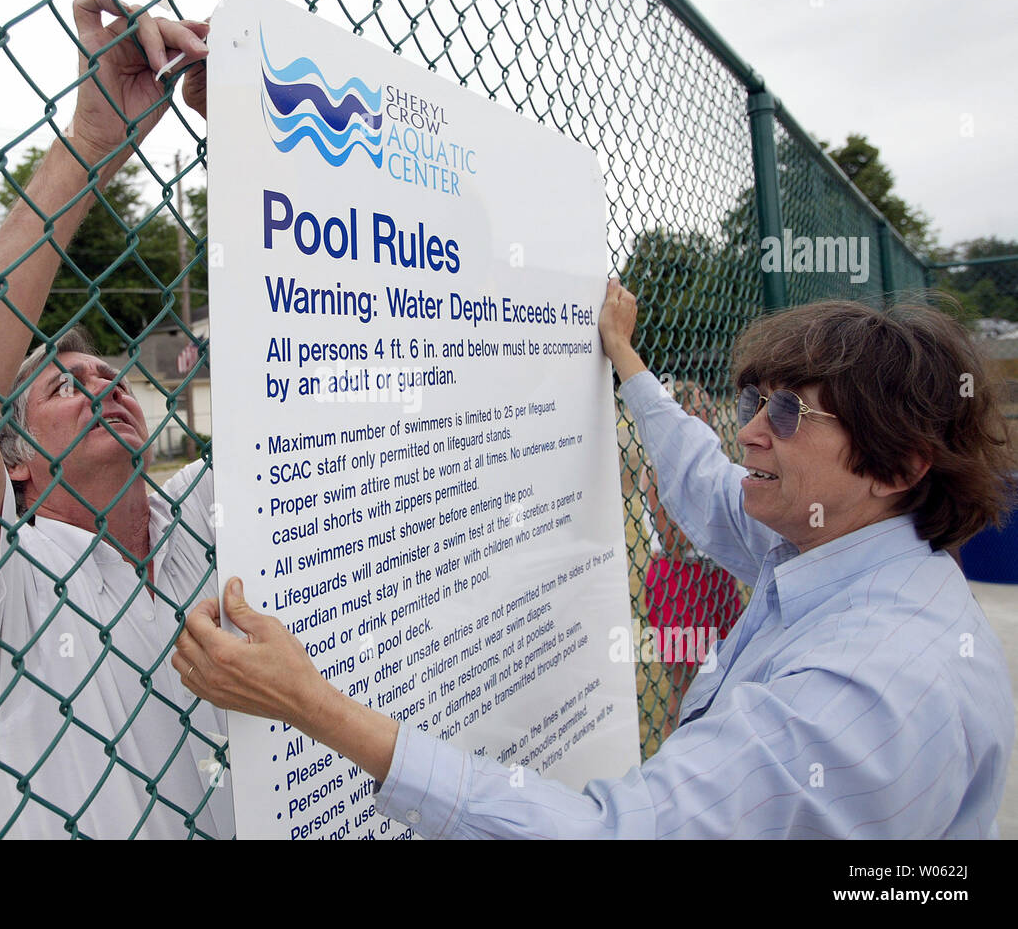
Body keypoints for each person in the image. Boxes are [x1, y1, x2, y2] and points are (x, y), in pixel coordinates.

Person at [173, 279, 1016, 838]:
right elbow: (705, 482)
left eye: (790, 415)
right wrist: (627, 360)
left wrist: (315, 708)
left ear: (900, 466)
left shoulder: (862, 693)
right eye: (755, 400)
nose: (750, 429)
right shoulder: (850, 542)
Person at [0, 0, 231, 839]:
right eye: (63, 384)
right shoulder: (7, 576)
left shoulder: (198, 507)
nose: (103, 384)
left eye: (109, 373)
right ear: (12, 460)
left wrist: (254, 144)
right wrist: (92, 145)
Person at [636, 380, 742, 739]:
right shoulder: (660, 465)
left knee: (727, 673)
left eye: (709, 405)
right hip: (681, 578)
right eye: (699, 407)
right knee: (687, 690)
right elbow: (674, 539)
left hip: (715, 574)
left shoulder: (709, 462)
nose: (710, 413)